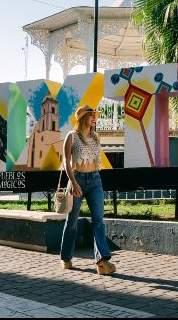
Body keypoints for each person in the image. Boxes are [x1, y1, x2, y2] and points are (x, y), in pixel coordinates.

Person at [60, 105, 115, 275]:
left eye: (95, 115)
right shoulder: (72, 136)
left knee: (98, 220)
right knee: (72, 222)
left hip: (95, 180)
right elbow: (66, 163)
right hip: (77, 180)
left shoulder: (95, 137)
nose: (94, 118)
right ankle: (66, 257)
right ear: (83, 117)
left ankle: (101, 261)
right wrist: (74, 183)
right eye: (91, 115)